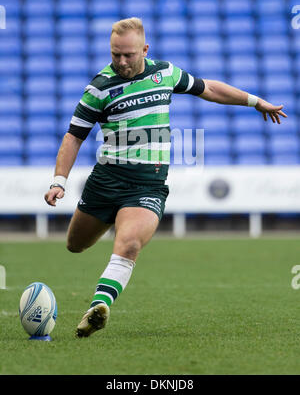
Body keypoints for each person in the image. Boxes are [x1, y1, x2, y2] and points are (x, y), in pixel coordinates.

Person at [44, 17, 287, 338]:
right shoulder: (99, 88)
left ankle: (99, 306)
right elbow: (74, 136)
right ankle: (105, 228)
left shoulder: (165, 73)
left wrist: (255, 102)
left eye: (129, 55)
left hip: (147, 184)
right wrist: (59, 181)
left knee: (129, 244)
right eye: (116, 54)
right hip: (106, 180)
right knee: (75, 245)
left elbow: (209, 88)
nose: (122, 62)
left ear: (144, 49)